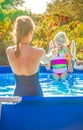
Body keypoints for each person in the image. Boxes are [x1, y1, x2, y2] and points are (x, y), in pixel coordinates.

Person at [6, 15, 51, 96]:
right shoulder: (39, 52)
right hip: (36, 96)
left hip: (17, 96)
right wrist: (52, 53)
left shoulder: (9, 51)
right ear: (31, 32)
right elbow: (46, 60)